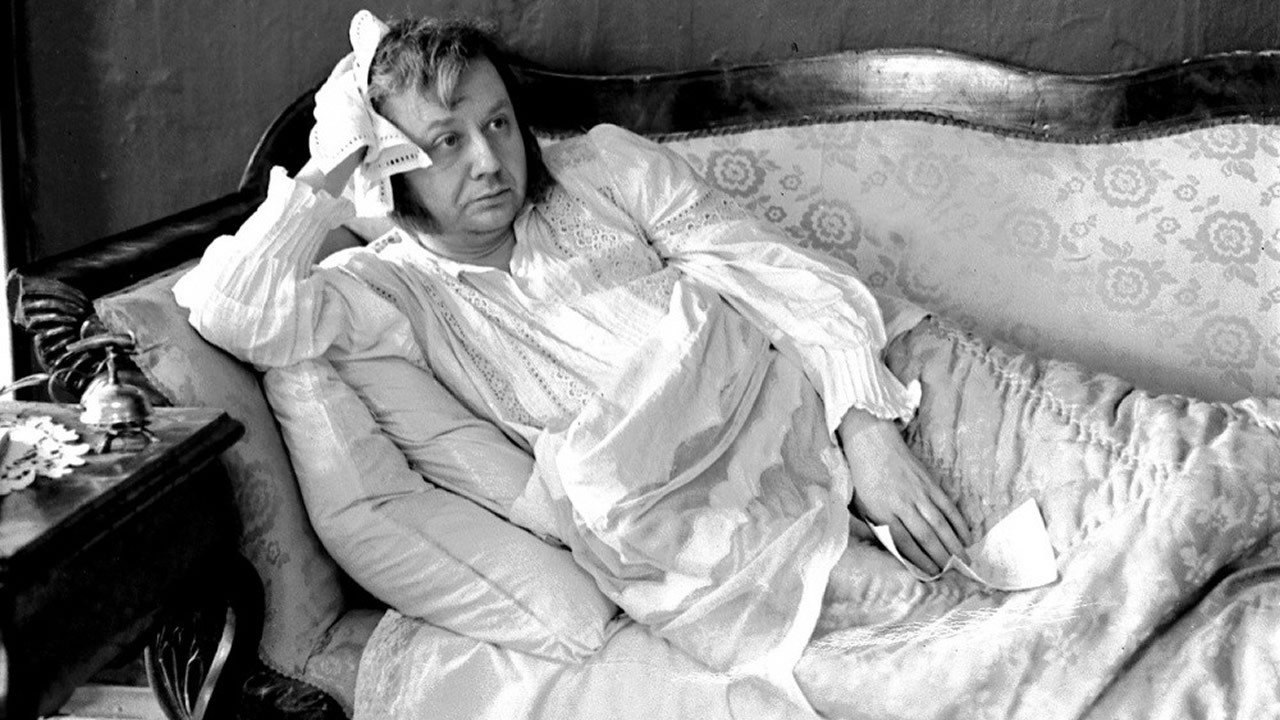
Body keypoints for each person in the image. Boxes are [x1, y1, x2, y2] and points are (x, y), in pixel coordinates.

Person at [174, 11, 1280, 714]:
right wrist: (326, 174)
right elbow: (229, 311)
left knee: (1176, 454)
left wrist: (864, 425)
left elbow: (772, 271)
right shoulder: (383, 299)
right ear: (389, 164)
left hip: (865, 380)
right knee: (974, 659)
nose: (490, 160)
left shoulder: (601, 174)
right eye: (446, 141)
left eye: (499, 124)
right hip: (730, 543)